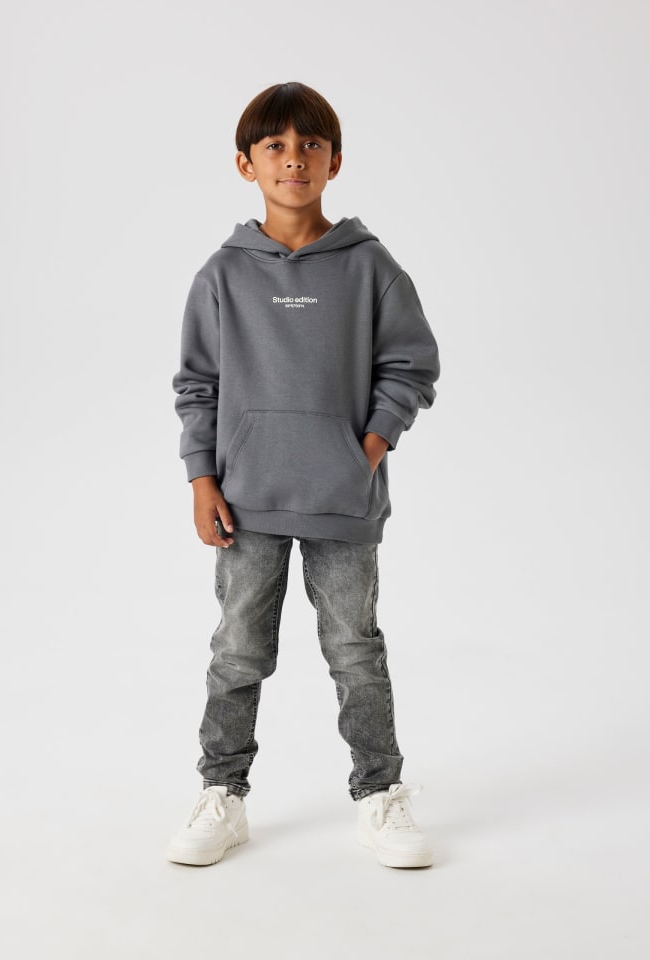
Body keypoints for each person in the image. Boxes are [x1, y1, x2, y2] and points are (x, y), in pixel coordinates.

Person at [168, 82, 440, 868]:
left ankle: (379, 795)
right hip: (245, 502)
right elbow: (197, 385)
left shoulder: (370, 266)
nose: (294, 160)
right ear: (246, 164)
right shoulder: (223, 274)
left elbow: (412, 364)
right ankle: (222, 794)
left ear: (335, 162)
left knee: (355, 650)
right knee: (237, 651)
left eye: (310, 146)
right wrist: (201, 479)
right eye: (276, 147)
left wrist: (366, 451)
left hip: (342, 502)